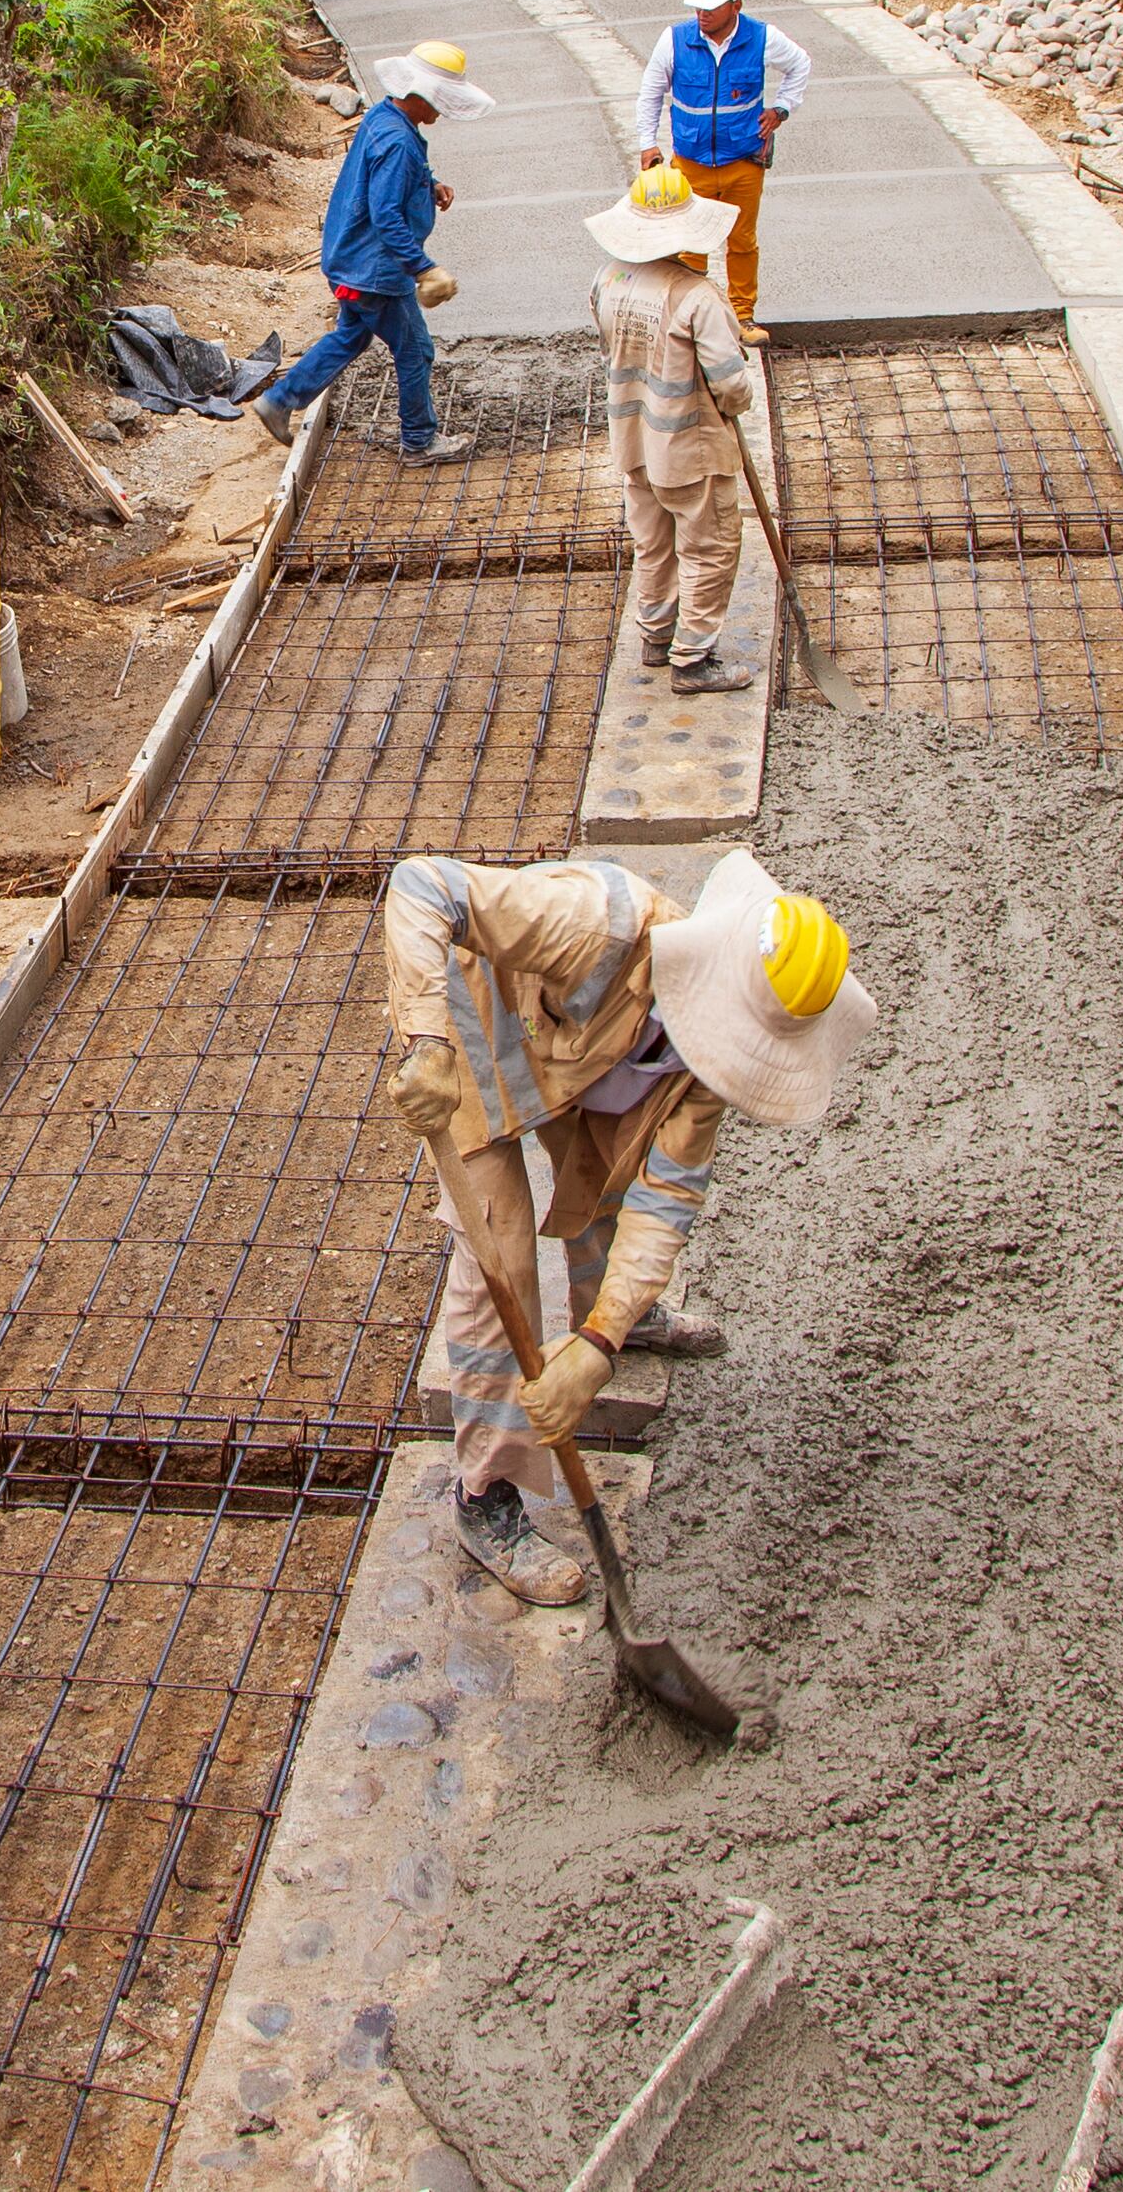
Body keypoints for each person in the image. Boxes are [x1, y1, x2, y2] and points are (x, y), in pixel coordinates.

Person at [378, 848, 876, 1604]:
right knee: (499, 1258)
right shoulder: (596, 922)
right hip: (473, 1042)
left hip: (574, 1065)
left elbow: (664, 1201)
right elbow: (420, 884)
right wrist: (426, 1044)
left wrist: (600, 1344)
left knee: (608, 1183)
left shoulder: (702, 1077)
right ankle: (487, 1497)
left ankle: (609, 1317)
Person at [256, 42, 494, 466]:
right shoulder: (398, 143)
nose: (442, 113)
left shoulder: (384, 118)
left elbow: (382, 181)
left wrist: (428, 183)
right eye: (441, 102)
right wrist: (423, 268)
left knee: (352, 335)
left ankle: (279, 400)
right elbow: (386, 217)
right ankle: (420, 441)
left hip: (349, 259)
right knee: (415, 350)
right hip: (374, 271)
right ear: (422, 96)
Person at [588, 162, 761, 696]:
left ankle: (656, 637)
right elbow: (732, 385)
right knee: (709, 548)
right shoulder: (697, 296)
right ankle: (693, 660)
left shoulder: (608, 279)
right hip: (691, 451)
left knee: (653, 543)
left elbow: (609, 349)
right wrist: (736, 401)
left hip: (634, 440)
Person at [636, 0, 811, 340]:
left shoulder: (763, 38)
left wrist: (782, 109)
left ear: (736, 5)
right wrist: (647, 143)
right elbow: (651, 91)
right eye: (698, 7)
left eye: (710, 8)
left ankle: (742, 317)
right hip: (691, 162)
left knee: (742, 241)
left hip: (743, 162)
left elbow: (800, 64)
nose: (702, 14)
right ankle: (689, 317)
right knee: (689, 243)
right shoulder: (675, 40)